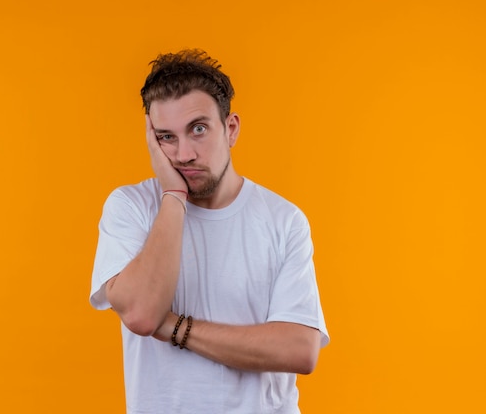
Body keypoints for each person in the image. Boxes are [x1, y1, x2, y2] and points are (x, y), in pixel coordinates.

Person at [89, 49, 329, 414]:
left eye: (198, 129)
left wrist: (173, 326)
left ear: (230, 128)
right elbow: (140, 313)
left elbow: (298, 349)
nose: (184, 154)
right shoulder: (131, 207)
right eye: (166, 137)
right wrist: (173, 196)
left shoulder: (283, 220)